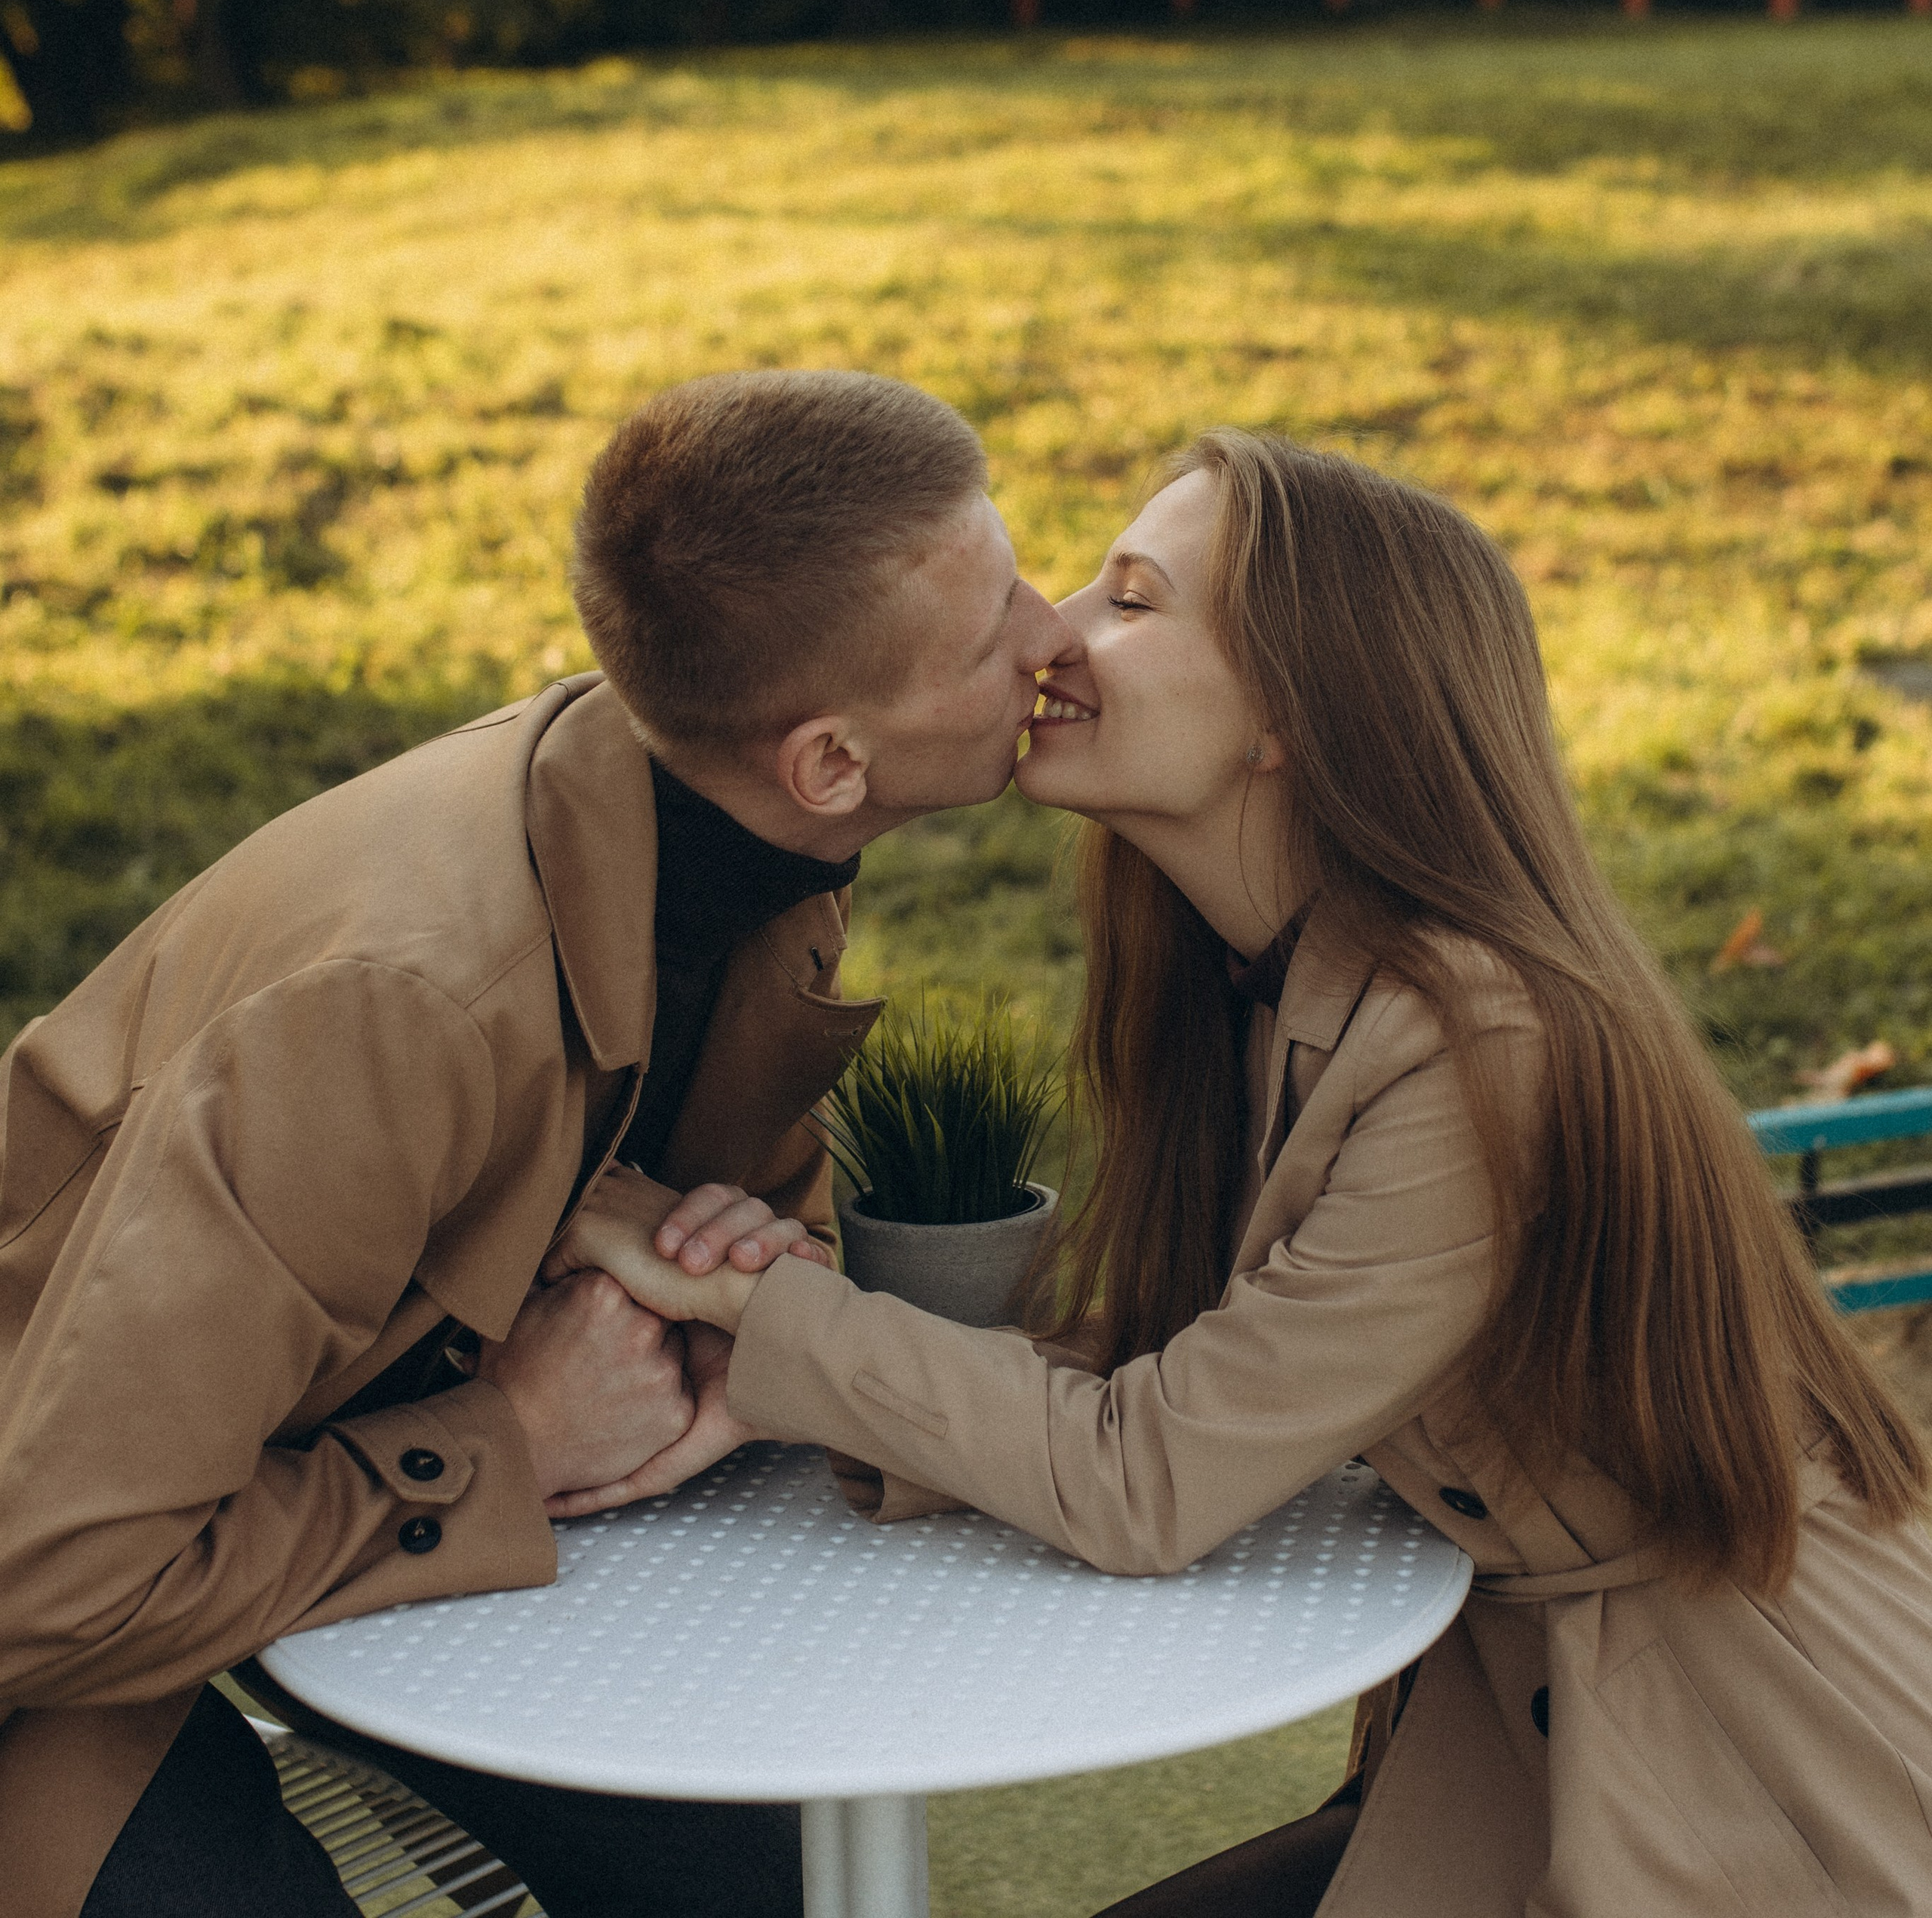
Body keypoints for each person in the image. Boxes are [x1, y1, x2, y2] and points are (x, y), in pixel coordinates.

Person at [561, 429, 1932, 1918]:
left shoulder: (1478, 1051)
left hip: (1770, 1774)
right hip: (1542, 1737)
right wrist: (788, 1348)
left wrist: (756, 1310)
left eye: (1130, 599)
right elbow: (1191, 1374)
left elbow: (1145, 1479)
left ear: (1295, 708)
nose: (1048, 632)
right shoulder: (1253, 986)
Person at [0, 367, 1063, 1918]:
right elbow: (56, 1580)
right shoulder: (399, 1011)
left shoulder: (741, 830)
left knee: (743, 1873)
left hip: (294, 1468)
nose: (1053, 632)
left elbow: (702, 1207)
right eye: (992, 632)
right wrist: (509, 1437)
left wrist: (717, 1288)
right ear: (831, 760)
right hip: (63, 1600)